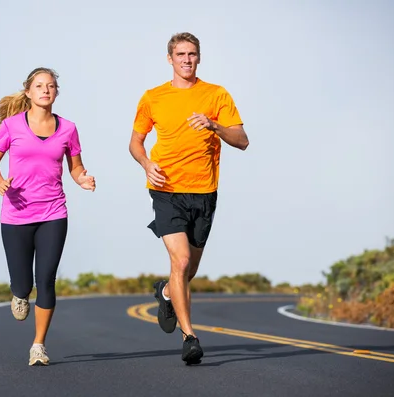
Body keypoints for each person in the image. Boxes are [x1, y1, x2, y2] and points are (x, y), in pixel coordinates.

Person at [128, 32, 249, 364]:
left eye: (192, 54)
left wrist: (214, 125)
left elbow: (242, 139)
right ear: (170, 58)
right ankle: (190, 337)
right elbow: (135, 142)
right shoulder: (153, 97)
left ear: (199, 58)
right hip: (167, 190)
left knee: (188, 269)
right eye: (180, 54)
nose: (186, 59)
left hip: (204, 193)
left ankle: (166, 292)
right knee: (179, 262)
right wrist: (146, 163)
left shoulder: (216, 94)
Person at [0, 67, 96, 366]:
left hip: (53, 212)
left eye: (50, 86)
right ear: (28, 92)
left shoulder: (68, 129)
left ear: (56, 92)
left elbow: (75, 166)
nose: (45, 90)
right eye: (39, 86)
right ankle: (19, 293)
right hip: (16, 214)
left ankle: (38, 345)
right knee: (23, 285)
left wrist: (82, 179)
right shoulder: (11, 126)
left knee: (45, 279)